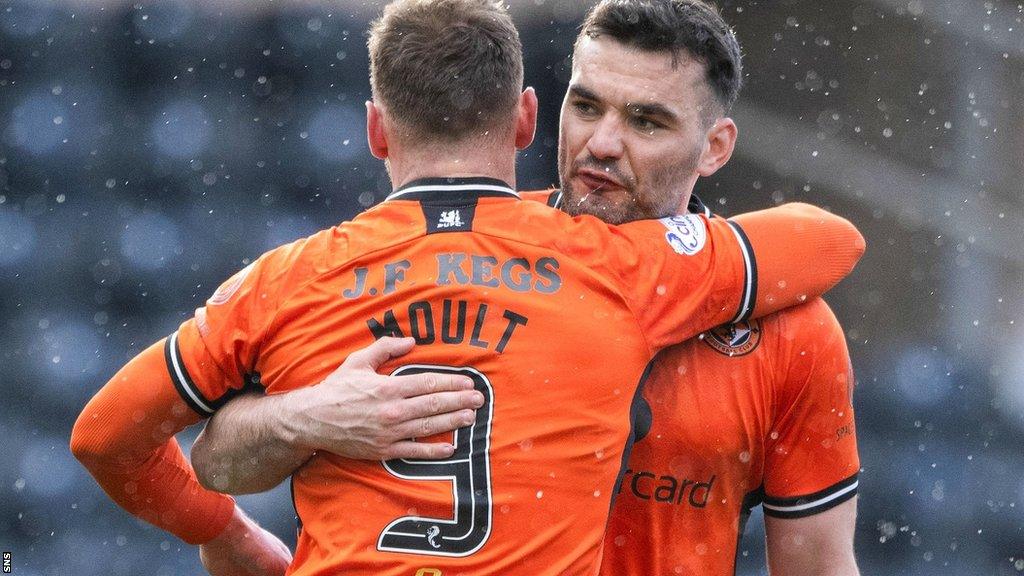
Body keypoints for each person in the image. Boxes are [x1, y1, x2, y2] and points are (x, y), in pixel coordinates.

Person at [70, 0, 864, 574]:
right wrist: (303, 417)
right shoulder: (552, 259)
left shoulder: (792, 330)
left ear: (716, 145)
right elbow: (219, 456)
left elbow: (821, 567)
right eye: (584, 106)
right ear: (531, 118)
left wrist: (227, 530)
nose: (603, 144)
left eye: (648, 122)